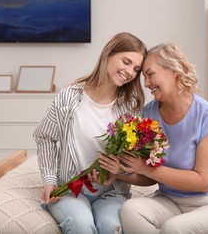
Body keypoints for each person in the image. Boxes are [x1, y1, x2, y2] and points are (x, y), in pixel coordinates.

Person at [100, 43, 208, 233]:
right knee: (130, 209)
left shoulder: (207, 115)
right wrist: (120, 172)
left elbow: (204, 181)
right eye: (144, 77)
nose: (147, 84)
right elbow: (148, 175)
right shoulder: (149, 113)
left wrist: (147, 169)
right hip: (170, 200)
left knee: (173, 228)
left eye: (150, 75)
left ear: (174, 70)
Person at [33, 32, 147, 234]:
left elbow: (133, 158)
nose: (129, 72)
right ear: (108, 54)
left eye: (136, 69)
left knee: (111, 227)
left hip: (111, 193)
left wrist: (117, 171)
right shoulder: (70, 96)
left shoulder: (131, 107)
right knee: (81, 224)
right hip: (69, 190)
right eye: (126, 61)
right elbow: (45, 137)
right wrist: (50, 180)